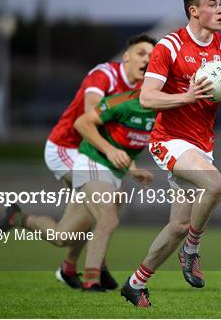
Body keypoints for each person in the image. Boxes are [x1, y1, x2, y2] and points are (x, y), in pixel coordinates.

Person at [0, 34, 156, 290]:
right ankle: (94, 273)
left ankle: (24, 225)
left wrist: (128, 164)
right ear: (126, 56)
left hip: (96, 154)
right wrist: (115, 155)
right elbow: (88, 119)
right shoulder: (105, 76)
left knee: (66, 233)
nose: (147, 60)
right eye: (141, 53)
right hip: (67, 148)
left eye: (152, 57)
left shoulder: (141, 92)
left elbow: (122, 136)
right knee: (105, 208)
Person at [120, 0, 221, 308]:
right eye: (212, 4)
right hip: (169, 140)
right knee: (216, 185)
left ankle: (135, 283)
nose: (220, 10)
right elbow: (147, 98)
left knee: (177, 225)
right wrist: (186, 95)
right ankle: (192, 249)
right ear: (194, 11)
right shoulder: (170, 46)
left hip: (201, 145)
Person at [71, 89, 155, 291]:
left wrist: (132, 169)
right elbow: (81, 123)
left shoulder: (164, 111)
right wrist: (110, 151)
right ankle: (92, 280)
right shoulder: (123, 101)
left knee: (61, 236)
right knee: (109, 217)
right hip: (92, 161)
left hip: (114, 173)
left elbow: (126, 144)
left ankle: (17, 218)